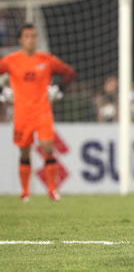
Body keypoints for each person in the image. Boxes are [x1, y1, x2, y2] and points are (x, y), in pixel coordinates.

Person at [0, 23, 75, 201]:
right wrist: (2, 91)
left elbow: (69, 73)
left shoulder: (46, 59)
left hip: (42, 111)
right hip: (21, 113)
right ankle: (25, 192)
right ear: (20, 39)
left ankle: (52, 190)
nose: (31, 40)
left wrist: (60, 89)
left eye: (34, 36)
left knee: (47, 148)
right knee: (24, 152)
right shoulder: (11, 60)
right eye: (27, 36)